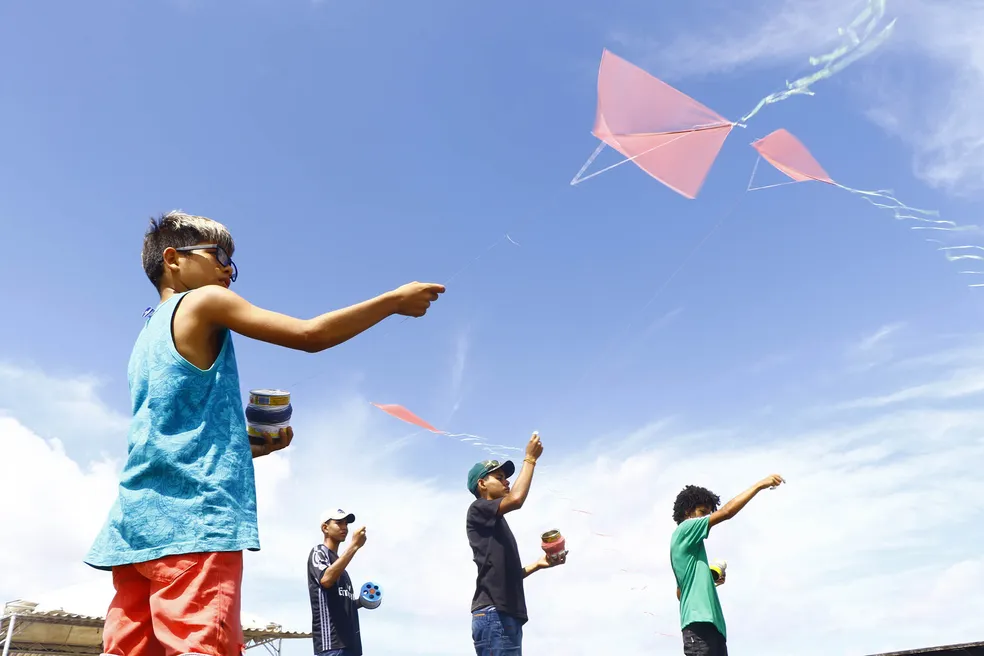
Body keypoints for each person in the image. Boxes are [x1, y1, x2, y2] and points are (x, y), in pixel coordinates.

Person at [85, 210, 445, 656]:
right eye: (219, 257)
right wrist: (393, 301)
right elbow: (310, 335)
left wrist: (243, 448)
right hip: (196, 522)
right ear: (173, 259)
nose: (228, 271)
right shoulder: (204, 302)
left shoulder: (145, 335)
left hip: (135, 529)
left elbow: (169, 435)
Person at [466, 433, 568, 656]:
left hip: (501, 617)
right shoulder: (478, 509)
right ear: (482, 484)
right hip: (495, 616)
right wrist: (530, 459)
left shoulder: (494, 522)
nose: (507, 482)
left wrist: (537, 565)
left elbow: (504, 575)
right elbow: (516, 499)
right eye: (499, 477)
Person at [670, 475, 785, 656]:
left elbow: (681, 593)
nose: (707, 517)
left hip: (711, 628)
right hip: (699, 625)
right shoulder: (685, 528)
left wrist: (709, 581)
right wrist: (760, 485)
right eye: (702, 512)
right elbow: (726, 512)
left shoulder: (690, 546)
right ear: (687, 512)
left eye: (708, 513)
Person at [307, 509, 367, 656]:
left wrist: (361, 602)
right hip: (332, 645)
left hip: (351, 645)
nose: (344, 527)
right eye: (339, 523)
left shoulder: (341, 568)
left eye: (346, 523)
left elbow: (341, 602)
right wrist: (354, 546)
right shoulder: (319, 552)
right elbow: (326, 580)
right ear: (325, 528)